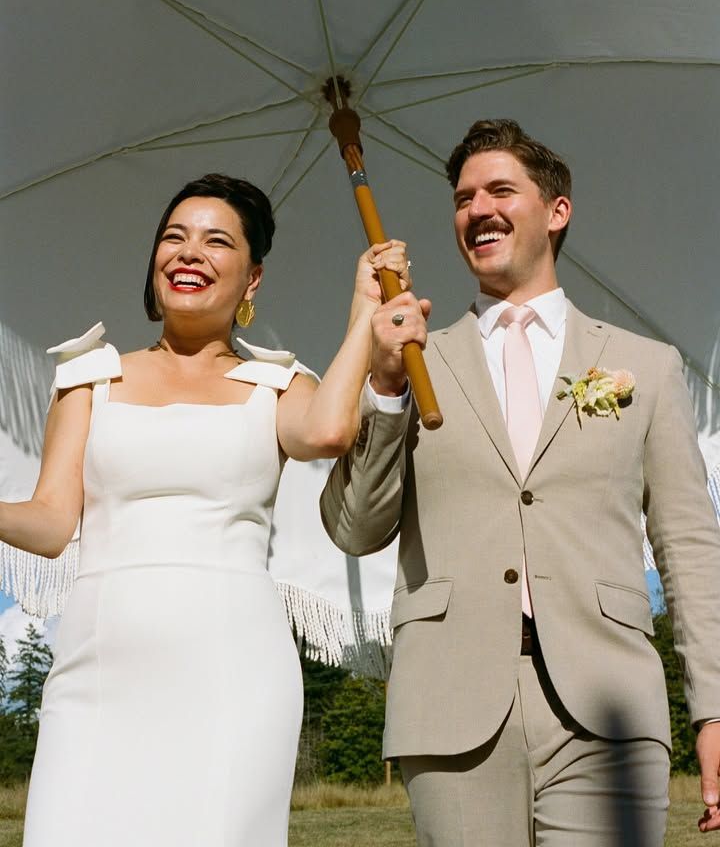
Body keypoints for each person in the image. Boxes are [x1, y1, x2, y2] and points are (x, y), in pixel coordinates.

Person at [320, 120, 720, 846]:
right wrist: (383, 386)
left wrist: (714, 707)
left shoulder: (646, 366)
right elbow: (355, 527)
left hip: (609, 703)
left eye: (500, 190)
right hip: (450, 707)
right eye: (463, 199)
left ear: (557, 210)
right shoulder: (412, 360)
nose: (477, 209)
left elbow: (690, 547)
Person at [0, 172, 410, 847]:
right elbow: (49, 522)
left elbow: (330, 432)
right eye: (174, 237)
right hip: (98, 675)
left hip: (234, 676)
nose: (189, 252)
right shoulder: (86, 377)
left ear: (252, 280)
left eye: (217, 241)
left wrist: (365, 310)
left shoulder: (279, 383)